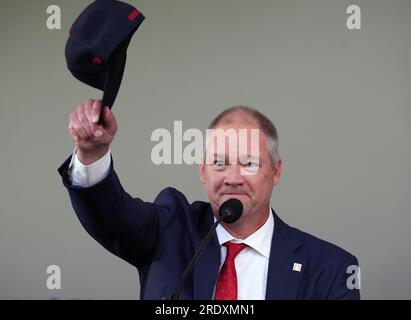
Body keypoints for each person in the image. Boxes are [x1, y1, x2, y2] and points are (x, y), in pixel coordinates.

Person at [58, 98, 360, 300]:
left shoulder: (331, 270)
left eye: (250, 163)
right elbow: (112, 219)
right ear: (202, 170)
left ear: (276, 170)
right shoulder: (169, 230)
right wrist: (92, 154)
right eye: (219, 163)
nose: (232, 177)